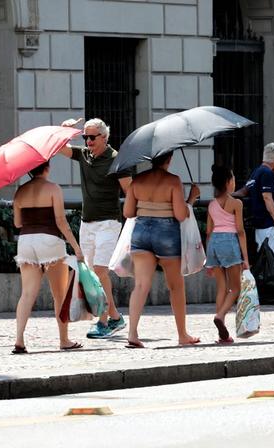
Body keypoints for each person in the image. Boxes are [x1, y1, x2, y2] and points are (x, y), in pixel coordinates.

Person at [59, 118, 132, 339]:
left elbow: (130, 192)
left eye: (92, 137)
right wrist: (66, 130)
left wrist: (133, 222)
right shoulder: (84, 155)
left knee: (100, 271)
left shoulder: (117, 159)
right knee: (92, 274)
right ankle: (115, 317)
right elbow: (60, 148)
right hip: (87, 222)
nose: (88, 141)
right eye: (86, 137)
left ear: (104, 137)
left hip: (109, 222)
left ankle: (104, 321)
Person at [123, 151, 200, 348]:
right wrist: (191, 199)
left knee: (140, 285)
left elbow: (128, 212)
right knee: (175, 286)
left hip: (140, 232)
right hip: (166, 233)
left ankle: (132, 333)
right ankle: (182, 335)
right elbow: (181, 215)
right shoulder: (174, 181)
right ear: (169, 159)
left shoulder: (137, 181)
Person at [11, 162, 85, 354]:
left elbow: (18, 223)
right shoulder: (53, 188)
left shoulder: (20, 192)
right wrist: (76, 247)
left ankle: (19, 339)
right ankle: (64, 339)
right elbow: (61, 221)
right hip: (50, 240)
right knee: (59, 294)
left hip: (26, 241)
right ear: (47, 168)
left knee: (27, 294)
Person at [205, 165, 249, 344]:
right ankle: (220, 316)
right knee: (236, 288)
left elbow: (208, 231)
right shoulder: (236, 203)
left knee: (222, 288)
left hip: (214, 243)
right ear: (228, 182)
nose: (235, 182)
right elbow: (240, 231)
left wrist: (209, 258)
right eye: (233, 179)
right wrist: (245, 258)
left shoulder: (211, 204)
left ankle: (221, 333)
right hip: (230, 242)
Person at [240, 143, 274, 259]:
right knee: (271, 260)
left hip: (259, 224)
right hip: (269, 225)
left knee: (263, 258)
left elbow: (248, 191)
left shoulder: (257, 171)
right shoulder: (268, 173)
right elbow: (267, 198)